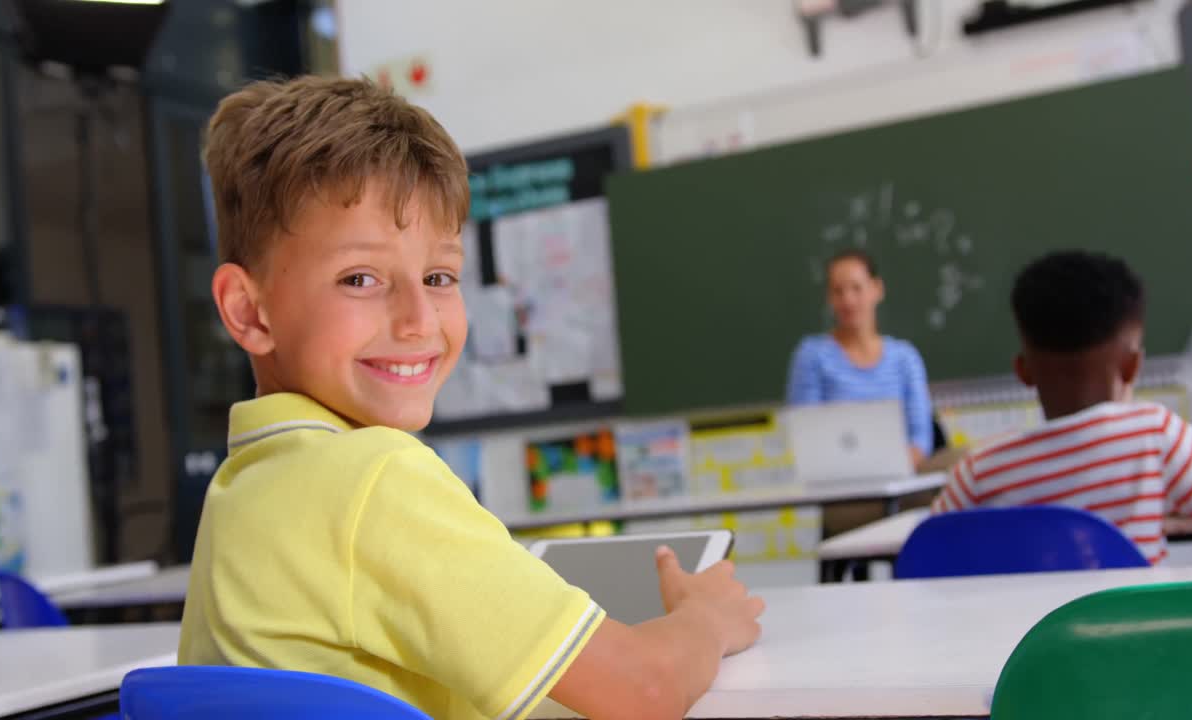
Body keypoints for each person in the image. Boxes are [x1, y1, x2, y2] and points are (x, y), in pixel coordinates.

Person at [178, 76, 764, 720]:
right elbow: (644, 691)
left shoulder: (247, 488)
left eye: (438, 276)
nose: (419, 321)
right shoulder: (373, 478)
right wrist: (706, 618)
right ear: (248, 311)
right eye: (361, 278)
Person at [931, 250, 1192, 563]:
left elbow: (931, 547)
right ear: (1133, 366)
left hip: (1025, 623)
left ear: (1022, 370)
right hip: (1137, 621)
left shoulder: (981, 470)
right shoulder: (1153, 433)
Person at [786, 250, 934, 466]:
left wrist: (890, 469)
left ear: (877, 289)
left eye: (857, 288)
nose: (848, 300)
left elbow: (921, 438)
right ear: (829, 298)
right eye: (838, 291)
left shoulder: (905, 358)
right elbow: (805, 436)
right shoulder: (813, 356)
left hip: (899, 483)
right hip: (837, 484)